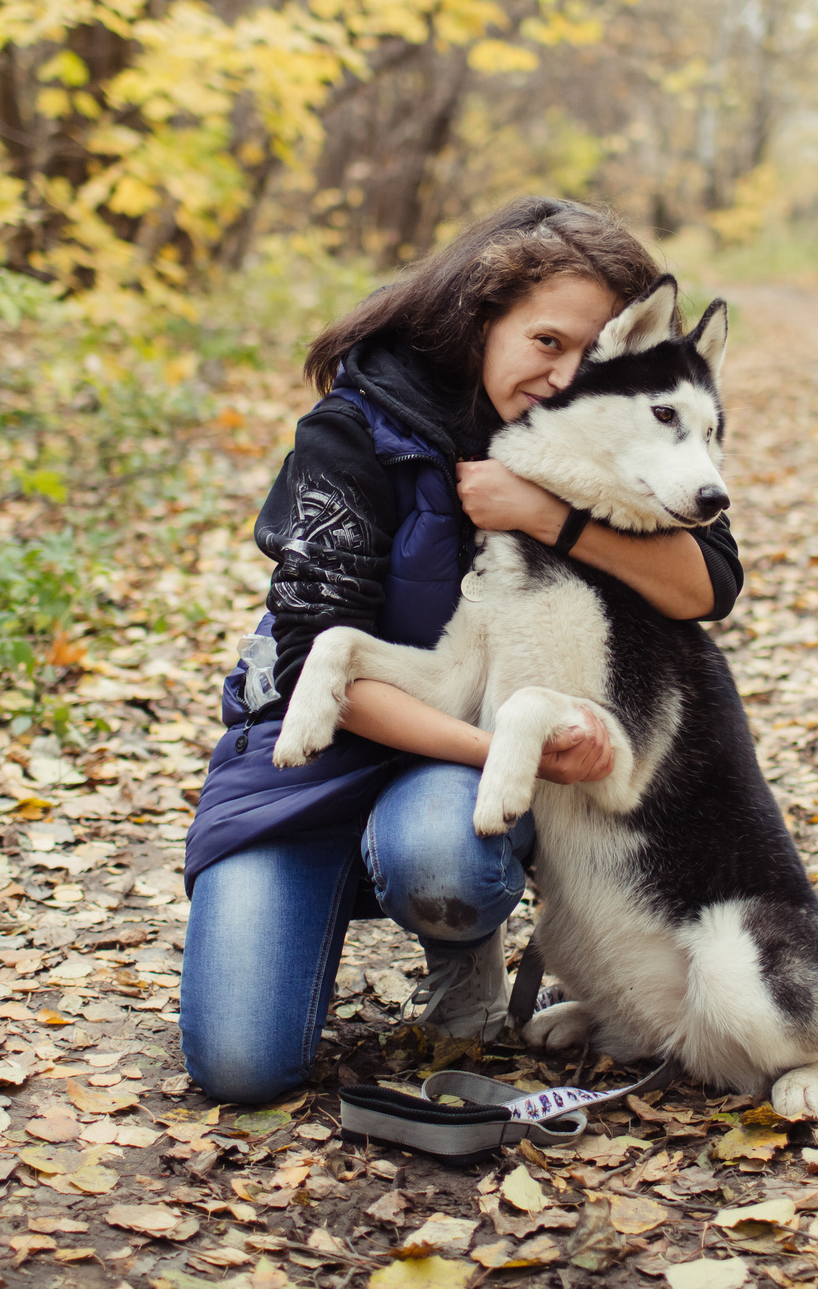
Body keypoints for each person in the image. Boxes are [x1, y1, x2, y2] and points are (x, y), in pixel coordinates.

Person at [178, 197, 744, 1104]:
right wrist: (514, 752)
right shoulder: (358, 426)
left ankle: (461, 953)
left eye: (592, 350)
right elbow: (308, 662)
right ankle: (340, 887)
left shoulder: (608, 427)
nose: (566, 375)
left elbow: (708, 583)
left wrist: (544, 514)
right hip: (319, 753)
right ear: (481, 318)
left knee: (447, 849)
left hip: (442, 774)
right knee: (241, 1068)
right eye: (547, 341)